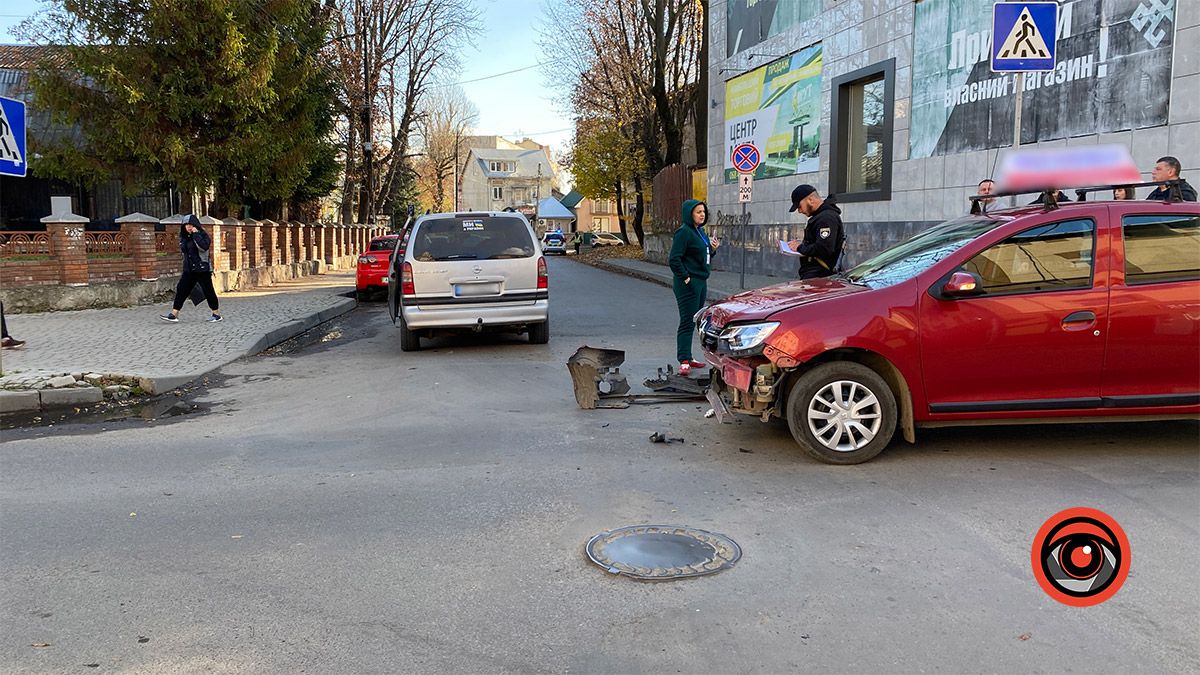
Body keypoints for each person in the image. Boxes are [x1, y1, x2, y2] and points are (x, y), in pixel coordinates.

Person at [668, 199, 720, 376]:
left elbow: (702, 256)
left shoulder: (701, 232)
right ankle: (683, 360)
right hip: (687, 283)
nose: (702, 215)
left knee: (696, 321)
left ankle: (689, 357)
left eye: (703, 212)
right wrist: (686, 278)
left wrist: (712, 249)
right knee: (686, 321)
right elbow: (674, 259)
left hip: (701, 280)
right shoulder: (683, 232)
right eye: (698, 212)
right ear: (689, 214)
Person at [160, 215, 222, 323]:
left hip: (202, 268)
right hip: (189, 269)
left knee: (208, 291)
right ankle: (174, 314)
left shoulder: (202, 235)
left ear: (195, 225)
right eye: (186, 225)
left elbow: (204, 247)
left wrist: (196, 234)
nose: (188, 227)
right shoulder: (185, 237)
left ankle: (216, 314)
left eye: (190, 225)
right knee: (181, 289)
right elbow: (184, 252)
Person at [785, 184, 844, 279]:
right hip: (816, 275)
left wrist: (800, 247)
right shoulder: (821, 217)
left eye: (800, 206)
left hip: (819, 276)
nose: (800, 211)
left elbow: (824, 248)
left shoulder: (826, 218)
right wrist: (803, 245)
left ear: (811, 200)